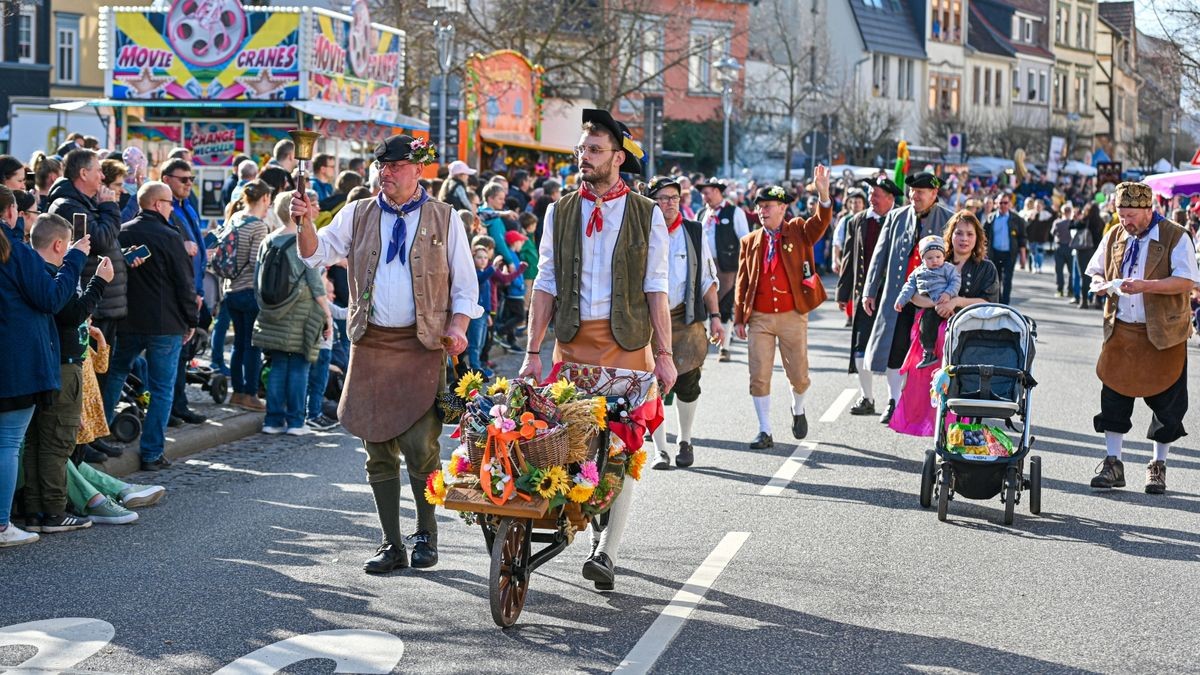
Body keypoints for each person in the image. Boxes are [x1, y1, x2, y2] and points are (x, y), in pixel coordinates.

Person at [294, 134, 478, 574]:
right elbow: (314, 254)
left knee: (421, 448)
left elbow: (466, 286)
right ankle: (391, 543)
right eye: (383, 166)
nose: (387, 173)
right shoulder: (357, 213)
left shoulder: (445, 217)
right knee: (376, 449)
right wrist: (303, 220)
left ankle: (426, 534)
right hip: (371, 346)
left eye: (396, 167)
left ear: (419, 171)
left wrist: (457, 328)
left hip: (421, 347)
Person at [521, 109, 674, 592]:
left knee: (625, 444)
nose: (583, 158)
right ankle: (578, 516)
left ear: (618, 157)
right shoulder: (560, 209)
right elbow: (544, 281)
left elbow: (656, 288)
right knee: (571, 438)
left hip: (628, 342)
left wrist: (665, 354)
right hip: (574, 340)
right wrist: (532, 351)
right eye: (580, 149)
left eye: (593, 150)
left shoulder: (647, 213)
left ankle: (606, 553)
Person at [1085, 182, 1200, 494]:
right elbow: (1095, 270)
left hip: (1164, 334)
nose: (1126, 221)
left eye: (1132, 215)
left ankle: (1157, 466)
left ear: (1150, 210)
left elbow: (1187, 280)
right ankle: (1113, 464)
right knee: (1113, 400)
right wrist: (1099, 283)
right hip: (1121, 330)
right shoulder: (1114, 235)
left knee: (1168, 405)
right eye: (1122, 214)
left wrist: (1145, 286)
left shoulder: (1175, 235)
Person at [0, 187, 89, 547]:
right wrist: (75, 261)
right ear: (11, 213)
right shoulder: (16, 252)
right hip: (16, 361)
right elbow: (51, 298)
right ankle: (2, 525)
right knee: (8, 443)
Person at [22, 214, 114, 533]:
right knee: (57, 441)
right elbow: (71, 313)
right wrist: (99, 281)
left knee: (36, 440)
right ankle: (53, 511)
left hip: (44, 364)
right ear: (60, 244)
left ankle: (35, 510)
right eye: (69, 246)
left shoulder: (29, 270)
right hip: (62, 366)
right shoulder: (52, 273)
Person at [101, 181, 199, 472]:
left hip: (127, 320)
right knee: (161, 388)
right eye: (169, 204)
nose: (172, 209)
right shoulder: (170, 236)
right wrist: (191, 320)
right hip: (165, 323)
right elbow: (185, 284)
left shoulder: (123, 230)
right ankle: (152, 452)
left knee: (115, 375)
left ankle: (97, 436)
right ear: (157, 204)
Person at [733, 174, 832, 449]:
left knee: (799, 375)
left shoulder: (799, 230)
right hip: (760, 318)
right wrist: (740, 318)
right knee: (759, 374)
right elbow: (743, 281)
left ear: (782, 208)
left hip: (792, 314)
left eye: (768, 206)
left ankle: (797, 408)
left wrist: (823, 195)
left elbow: (820, 222)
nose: (762, 211)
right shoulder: (750, 241)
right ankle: (764, 430)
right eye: (759, 206)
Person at [887, 211, 999, 437]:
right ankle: (935, 427)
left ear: (977, 238)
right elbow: (914, 295)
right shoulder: (935, 259)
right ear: (950, 235)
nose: (964, 239)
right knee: (927, 372)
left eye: (970, 234)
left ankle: (956, 428)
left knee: (957, 380)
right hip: (931, 329)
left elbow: (989, 301)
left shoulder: (986, 268)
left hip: (967, 331)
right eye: (959, 233)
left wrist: (956, 302)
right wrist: (935, 304)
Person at [862, 171, 956, 424]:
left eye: (921, 193)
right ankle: (893, 400)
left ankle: (928, 406)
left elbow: (958, 260)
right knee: (894, 350)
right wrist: (870, 290)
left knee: (929, 353)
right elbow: (879, 256)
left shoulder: (949, 219)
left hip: (933, 300)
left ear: (934, 194)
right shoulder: (895, 217)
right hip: (899, 296)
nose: (914, 197)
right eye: (912, 192)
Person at [645, 176, 724, 468]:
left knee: (689, 381)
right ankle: (660, 449)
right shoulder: (641, 231)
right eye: (661, 198)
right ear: (651, 202)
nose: (668, 204)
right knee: (651, 385)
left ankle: (685, 440)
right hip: (650, 321)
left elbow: (707, 277)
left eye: (673, 198)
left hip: (685, 317)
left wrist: (715, 318)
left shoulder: (694, 230)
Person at [255, 191, 330, 436]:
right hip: (302, 312)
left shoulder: (269, 239)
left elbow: (258, 279)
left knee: (277, 364)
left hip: (272, 311)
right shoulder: (304, 239)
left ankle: (272, 420)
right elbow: (316, 284)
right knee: (299, 365)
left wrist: (265, 307)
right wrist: (327, 316)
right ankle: (296, 422)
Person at [47, 148, 128, 347]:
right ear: (83, 173)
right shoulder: (68, 206)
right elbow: (99, 241)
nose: (102, 176)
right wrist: (109, 206)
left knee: (103, 370)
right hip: (91, 305)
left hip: (105, 302)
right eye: (98, 170)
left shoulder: (87, 202)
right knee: (93, 376)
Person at [836, 175, 901, 416]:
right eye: (870, 194)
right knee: (861, 347)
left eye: (876, 195)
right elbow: (849, 257)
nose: (871, 199)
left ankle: (894, 401)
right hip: (864, 294)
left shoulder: (902, 220)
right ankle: (867, 397)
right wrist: (843, 292)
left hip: (893, 297)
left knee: (894, 349)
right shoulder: (858, 220)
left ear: (890, 198)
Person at [159, 158, 208, 426]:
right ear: (166, 179)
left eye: (192, 179)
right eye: (184, 179)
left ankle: (179, 405)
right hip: (178, 292)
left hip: (193, 289)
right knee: (174, 356)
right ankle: (173, 408)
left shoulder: (187, 206)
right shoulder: (168, 209)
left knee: (184, 355)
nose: (189, 184)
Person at [222, 180, 273, 411]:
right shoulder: (259, 226)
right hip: (249, 291)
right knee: (253, 345)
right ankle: (250, 393)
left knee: (238, 345)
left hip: (230, 290)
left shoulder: (235, 218)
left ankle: (237, 392)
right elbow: (256, 262)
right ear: (265, 199)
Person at [696, 178, 749, 361]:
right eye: (703, 193)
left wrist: (744, 266)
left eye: (707, 192)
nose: (704, 196)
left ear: (718, 192)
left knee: (725, 305)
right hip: (704, 266)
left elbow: (745, 240)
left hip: (727, 266)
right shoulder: (701, 213)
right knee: (704, 306)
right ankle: (702, 345)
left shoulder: (735, 212)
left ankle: (724, 348)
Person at [894, 235, 960, 369]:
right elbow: (909, 286)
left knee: (955, 322)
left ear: (943, 256)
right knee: (926, 323)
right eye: (929, 258)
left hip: (948, 301)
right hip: (929, 304)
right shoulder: (918, 272)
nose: (934, 261)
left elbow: (956, 281)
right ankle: (929, 352)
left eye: (938, 257)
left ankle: (956, 351)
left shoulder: (948, 268)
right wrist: (901, 299)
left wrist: (948, 293)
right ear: (923, 259)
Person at [984, 192, 1027, 305]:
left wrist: (1023, 256)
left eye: (1005, 203)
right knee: (996, 280)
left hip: (1009, 254)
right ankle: (998, 302)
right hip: (995, 253)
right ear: (996, 204)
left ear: (1009, 204)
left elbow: (1022, 238)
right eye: (1000, 203)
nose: (1003, 205)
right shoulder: (990, 218)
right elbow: (984, 237)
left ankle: (1005, 304)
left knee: (1007, 280)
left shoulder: (1017, 219)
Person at [1053, 203, 1076, 297]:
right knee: (1071, 271)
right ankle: (1070, 290)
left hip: (1059, 247)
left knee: (1059, 271)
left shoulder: (1057, 222)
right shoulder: (1073, 222)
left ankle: (1060, 290)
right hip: (1070, 247)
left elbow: (1052, 232)